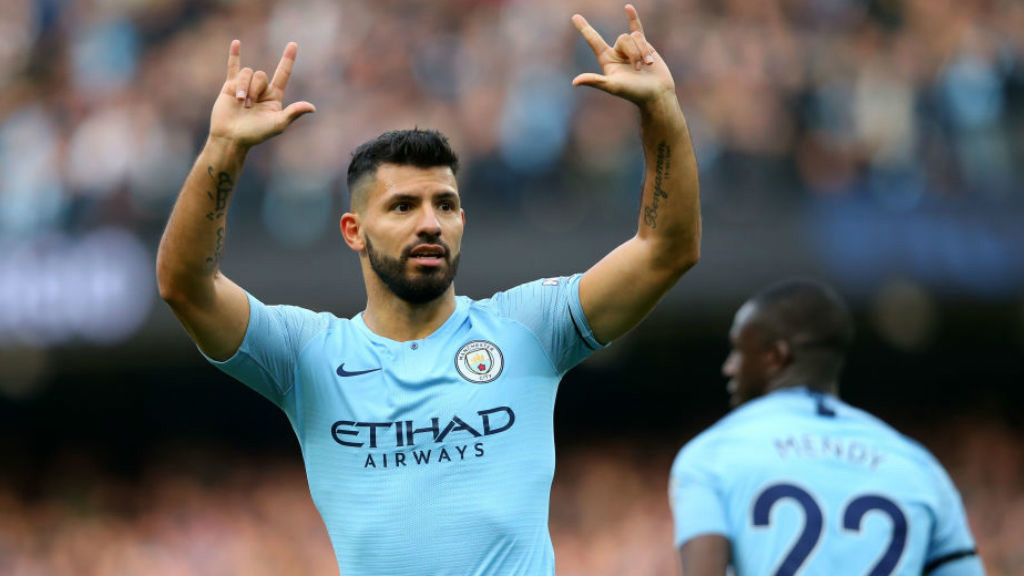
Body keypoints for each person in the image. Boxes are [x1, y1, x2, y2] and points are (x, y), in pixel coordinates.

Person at [156, 4, 700, 574]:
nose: (429, 223)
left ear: (463, 219)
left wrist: (660, 107)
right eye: (403, 206)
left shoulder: (528, 328)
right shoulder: (306, 355)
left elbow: (666, 250)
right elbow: (185, 286)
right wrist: (225, 148)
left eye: (444, 204)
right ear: (354, 231)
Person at [668, 279, 984, 576]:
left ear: (775, 357)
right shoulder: (920, 467)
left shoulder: (710, 456)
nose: (729, 367)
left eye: (738, 350)